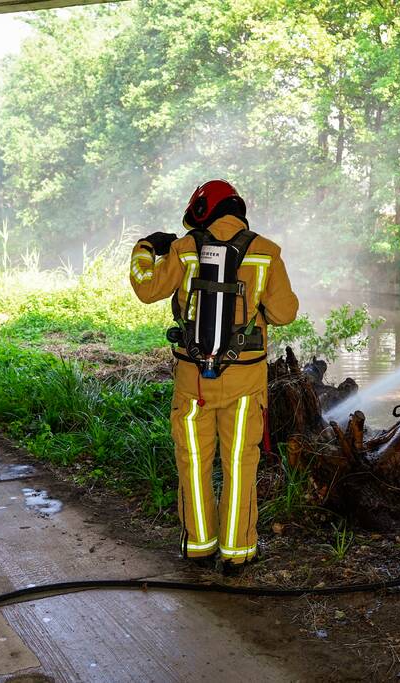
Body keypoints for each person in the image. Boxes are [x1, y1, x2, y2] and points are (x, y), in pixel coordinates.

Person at [129, 180, 299, 573]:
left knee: (193, 461)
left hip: (193, 380)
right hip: (244, 380)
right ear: (238, 210)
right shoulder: (265, 251)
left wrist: (144, 250)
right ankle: (238, 552)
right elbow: (285, 313)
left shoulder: (185, 248)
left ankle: (199, 546)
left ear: (203, 210)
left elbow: (147, 288)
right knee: (240, 464)